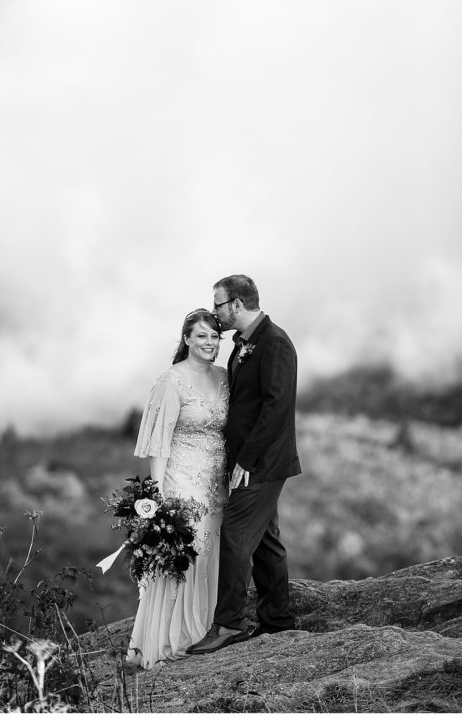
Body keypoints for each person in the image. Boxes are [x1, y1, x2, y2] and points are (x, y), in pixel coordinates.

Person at [187, 275, 300, 655]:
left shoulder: (276, 343)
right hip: (248, 461)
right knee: (266, 543)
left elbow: (277, 406)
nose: (216, 312)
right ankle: (278, 621)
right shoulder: (245, 345)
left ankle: (230, 624)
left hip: (262, 463)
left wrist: (247, 460)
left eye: (218, 304)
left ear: (236, 304)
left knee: (234, 536)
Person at [127, 309, 229, 668]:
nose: (209, 343)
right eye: (201, 336)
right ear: (186, 339)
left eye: (215, 337)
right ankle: (172, 638)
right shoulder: (171, 380)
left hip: (218, 482)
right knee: (187, 552)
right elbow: (159, 443)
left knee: (213, 553)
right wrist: (157, 497)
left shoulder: (224, 377)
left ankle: (203, 629)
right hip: (182, 481)